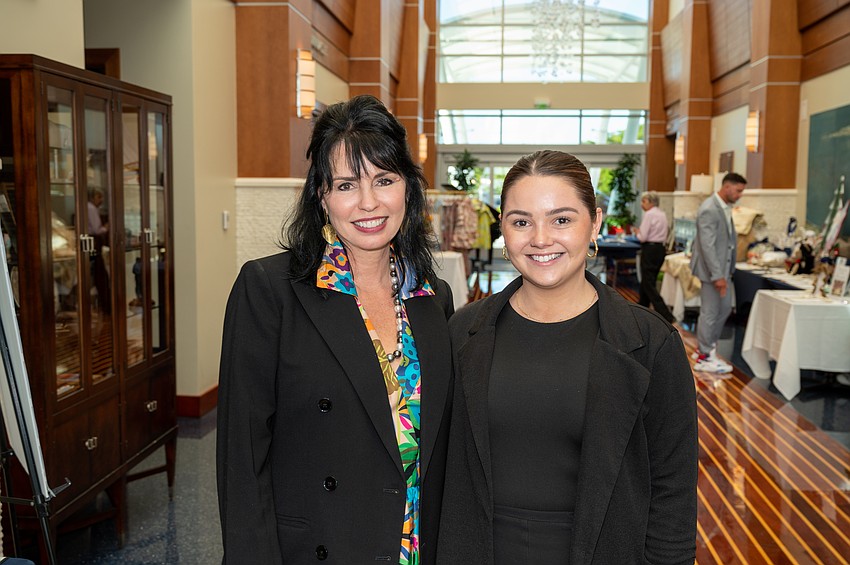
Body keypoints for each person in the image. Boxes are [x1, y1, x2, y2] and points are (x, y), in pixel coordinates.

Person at [217, 95, 455, 565]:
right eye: (346, 184)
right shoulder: (270, 291)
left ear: (407, 187)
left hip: (413, 545)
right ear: (321, 197)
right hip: (320, 547)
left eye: (384, 180)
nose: (368, 203)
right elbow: (242, 459)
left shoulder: (433, 296)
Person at [437, 150, 697, 565]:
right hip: (477, 548)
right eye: (521, 221)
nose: (540, 238)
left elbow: (673, 483)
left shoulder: (650, 343)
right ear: (503, 227)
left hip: (603, 549)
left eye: (561, 219)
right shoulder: (461, 333)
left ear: (593, 222)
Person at [690, 172, 747, 374]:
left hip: (722, 271)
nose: (740, 195)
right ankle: (705, 356)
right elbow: (708, 246)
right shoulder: (709, 209)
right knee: (711, 313)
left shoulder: (722, 207)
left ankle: (706, 349)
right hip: (713, 273)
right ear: (727, 187)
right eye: (739, 190)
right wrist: (718, 276)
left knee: (722, 310)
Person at [633, 191, 676, 324]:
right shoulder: (662, 214)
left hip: (650, 249)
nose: (642, 204)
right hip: (660, 249)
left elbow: (643, 237)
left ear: (651, 202)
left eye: (644, 201)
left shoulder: (649, 214)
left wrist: (637, 232)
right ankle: (641, 309)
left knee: (648, 283)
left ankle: (666, 315)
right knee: (647, 281)